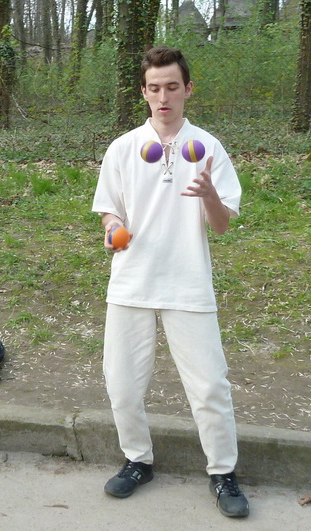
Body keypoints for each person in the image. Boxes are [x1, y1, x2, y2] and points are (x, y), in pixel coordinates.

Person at [91, 46, 249, 518]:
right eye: (155, 88)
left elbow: (221, 225)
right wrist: (112, 230)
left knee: (210, 386)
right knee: (122, 383)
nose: (164, 98)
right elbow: (109, 210)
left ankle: (222, 473)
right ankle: (138, 460)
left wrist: (210, 196)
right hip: (132, 282)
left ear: (188, 90)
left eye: (172, 87)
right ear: (143, 92)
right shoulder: (123, 148)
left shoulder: (208, 148)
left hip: (187, 283)